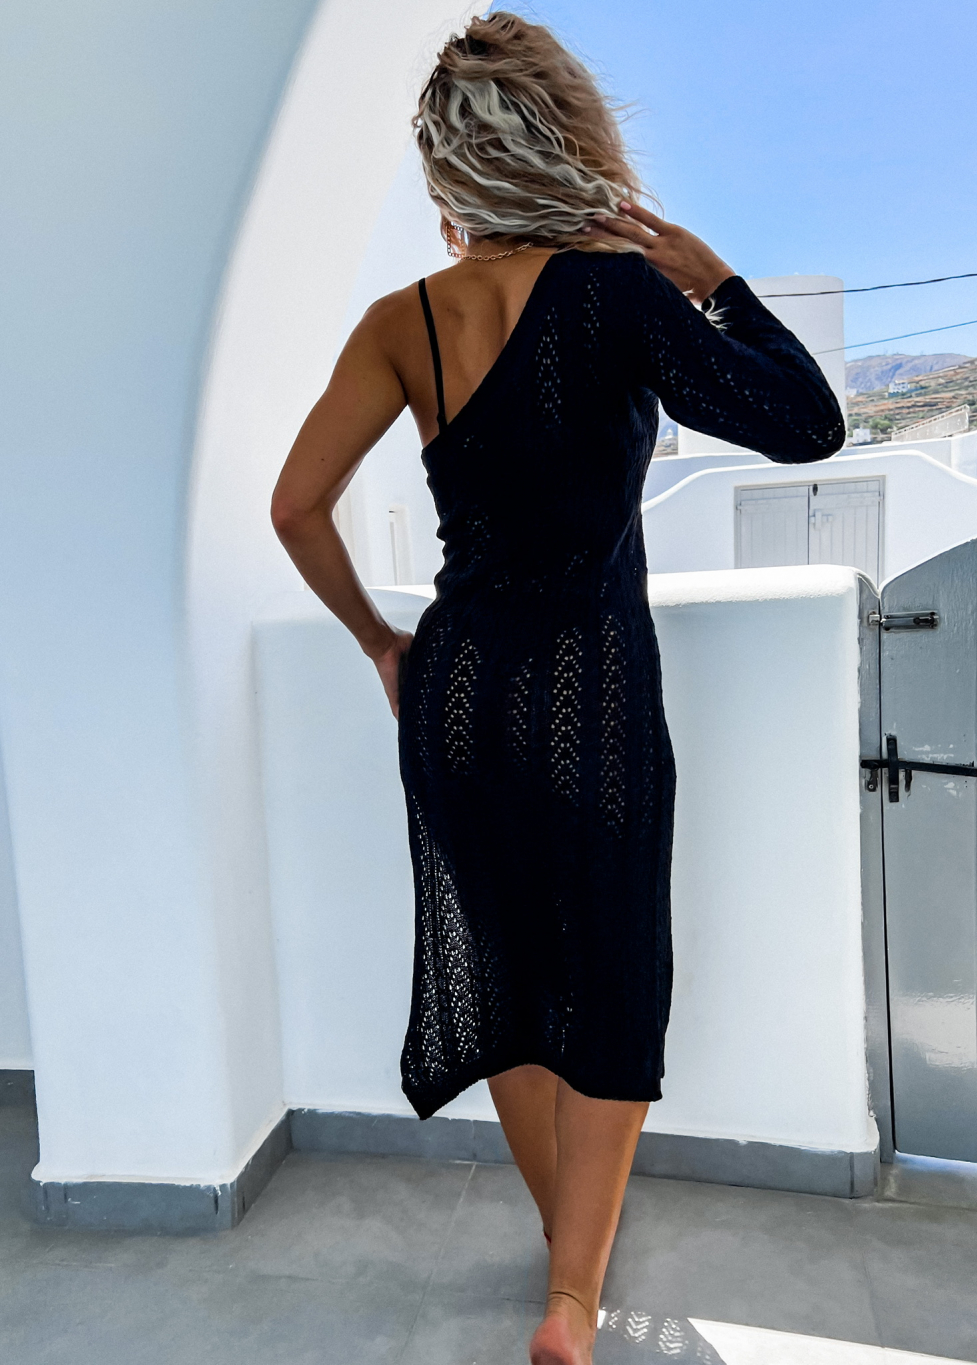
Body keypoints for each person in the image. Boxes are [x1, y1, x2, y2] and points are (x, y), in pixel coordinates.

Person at [271, 12, 844, 1363]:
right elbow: (807, 424)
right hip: (593, 697)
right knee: (612, 980)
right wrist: (717, 283)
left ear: (449, 166)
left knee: (511, 982)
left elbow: (296, 507)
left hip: (457, 693)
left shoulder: (400, 322)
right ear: (569, 139)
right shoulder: (620, 295)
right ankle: (573, 1302)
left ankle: (561, 1255)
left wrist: (381, 643)